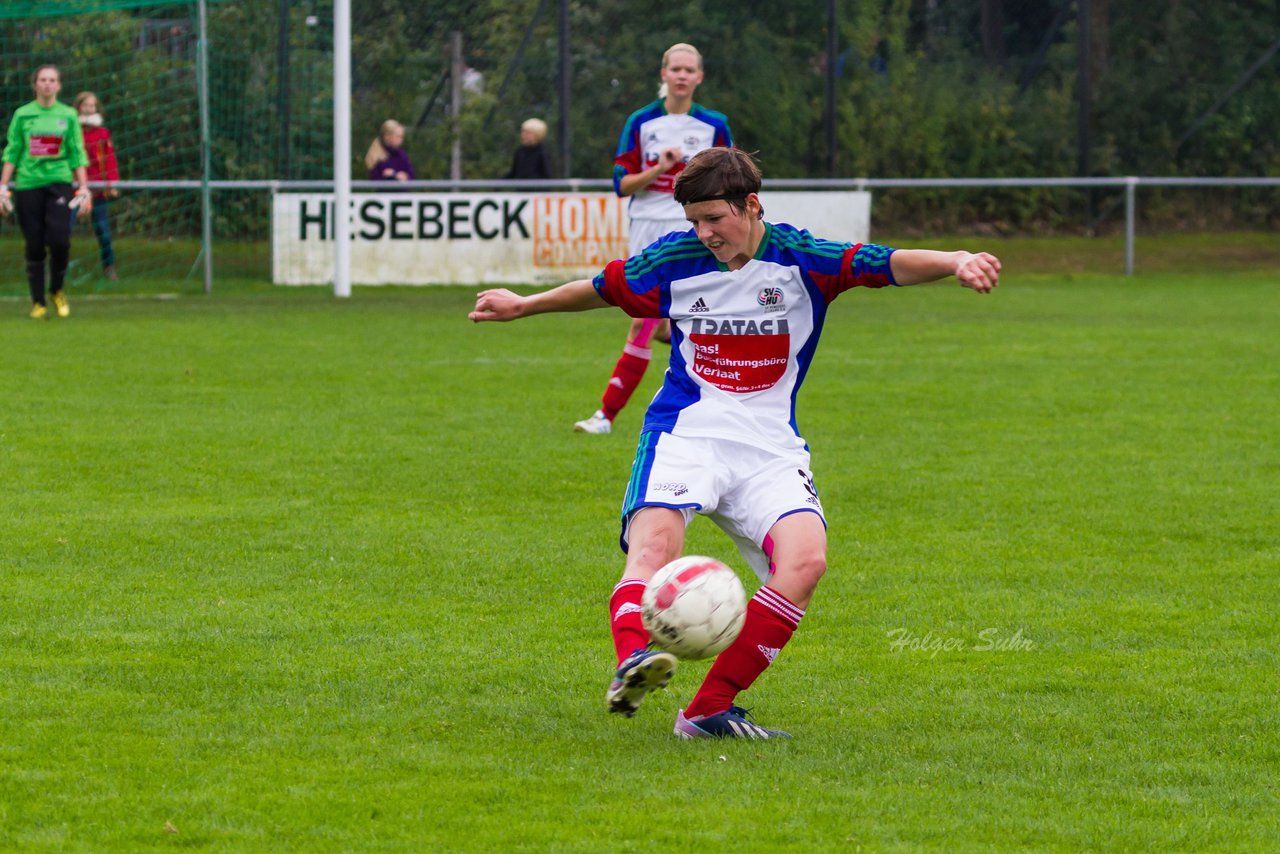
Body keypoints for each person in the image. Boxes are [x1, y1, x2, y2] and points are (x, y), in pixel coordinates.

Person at [470, 148, 1001, 739]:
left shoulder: (802, 258)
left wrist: (956, 259)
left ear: (752, 205)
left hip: (769, 446)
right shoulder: (677, 259)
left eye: (714, 219)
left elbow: (886, 263)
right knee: (653, 548)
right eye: (694, 221)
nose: (704, 233)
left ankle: (706, 711)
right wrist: (524, 305)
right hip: (686, 430)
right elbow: (602, 288)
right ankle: (632, 662)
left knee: (805, 561)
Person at [573, 43, 734, 435]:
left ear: (699, 77)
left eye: (689, 70)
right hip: (645, 227)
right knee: (664, 326)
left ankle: (605, 416)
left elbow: (732, 177)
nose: (681, 76)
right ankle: (730, 373)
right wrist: (659, 169)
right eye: (674, 69)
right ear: (663, 74)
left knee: (642, 322)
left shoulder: (713, 125)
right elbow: (621, 184)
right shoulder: (641, 122)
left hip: (693, 229)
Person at [0, 64, 91, 319]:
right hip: (28, 184)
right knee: (34, 243)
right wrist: (2, 187)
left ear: (59, 85)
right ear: (35, 84)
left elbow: (76, 151)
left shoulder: (69, 115)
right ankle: (38, 302)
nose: (47, 84)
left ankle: (57, 290)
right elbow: (13, 151)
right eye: (43, 79)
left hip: (59, 182)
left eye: (52, 80)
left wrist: (83, 186)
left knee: (60, 240)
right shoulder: (23, 114)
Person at [73, 91, 119, 280]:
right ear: (79, 107)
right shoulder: (71, 130)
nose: (89, 108)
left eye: (92, 105)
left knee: (103, 231)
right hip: (74, 189)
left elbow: (109, 160)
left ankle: (109, 267)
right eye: (85, 105)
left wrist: (112, 183)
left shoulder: (102, 133)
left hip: (97, 191)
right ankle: (53, 269)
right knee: (61, 230)